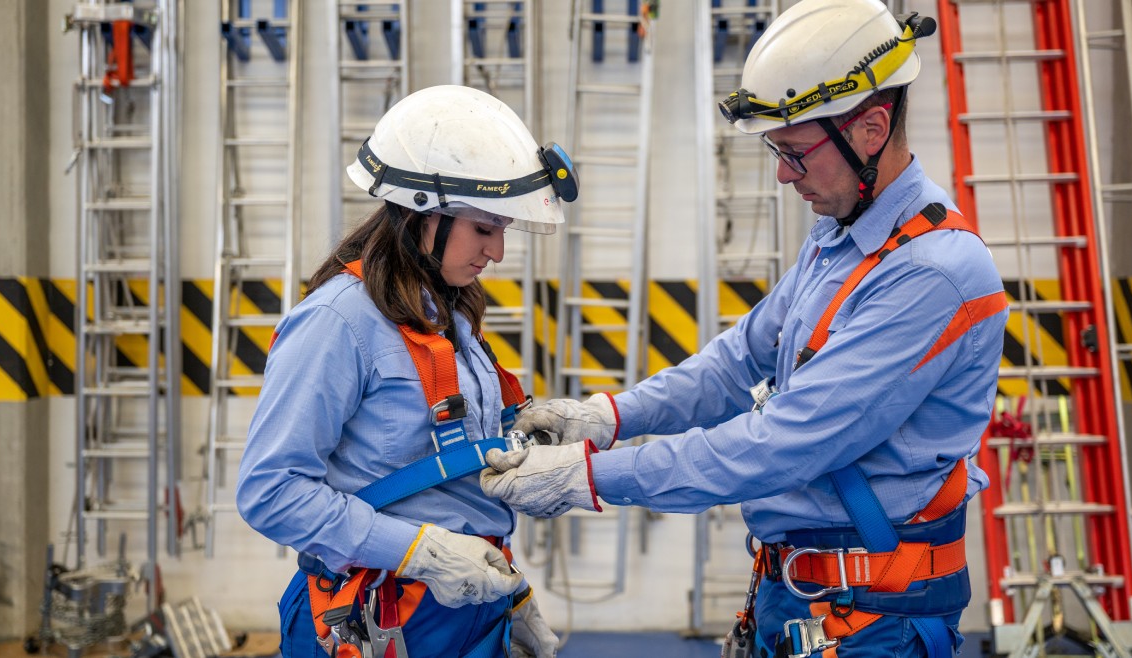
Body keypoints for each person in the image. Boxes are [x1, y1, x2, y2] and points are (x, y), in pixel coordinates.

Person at [480, 2, 1009, 657]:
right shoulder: (842, 240)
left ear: (872, 128)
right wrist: (606, 417)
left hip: (874, 622)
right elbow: (736, 363)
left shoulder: (933, 273)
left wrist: (587, 476)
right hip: (798, 598)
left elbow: (781, 446)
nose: (784, 176)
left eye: (795, 153)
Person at [236, 85, 578, 658]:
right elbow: (270, 492)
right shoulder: (337, 323)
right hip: (379, 619)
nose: (496, 252)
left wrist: (509, 597)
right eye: (485, 228)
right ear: (424, 211)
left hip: (461, 613)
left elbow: (448, 486)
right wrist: (418, 552)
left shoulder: (445, 317)